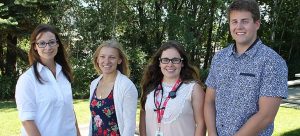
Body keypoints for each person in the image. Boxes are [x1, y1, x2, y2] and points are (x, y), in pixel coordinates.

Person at [204, 0, 288, 135]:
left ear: (257, 24)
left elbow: (265, 116)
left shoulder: (273, 62)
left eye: (245, 21)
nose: (239, 26)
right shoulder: (220, 58)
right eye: (234, 21)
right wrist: (213, 134)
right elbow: (209, 101)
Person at [15, 24, 80, 136]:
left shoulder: (64, 73)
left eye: (51, 42)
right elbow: (27, 120)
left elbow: (70, 111)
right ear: (35, 46)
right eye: (42, 43)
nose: (48, 47)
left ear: (57, 44)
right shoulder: (27, 79)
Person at [139, 41, 206, 136]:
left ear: (182, 63)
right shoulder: (150, 87)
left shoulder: (193, 89)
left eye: (175, 60)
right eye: (165, 60)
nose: (170, 64)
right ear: (159, 63)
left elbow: (201, 124)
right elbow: (143, 119)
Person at [89, 39, 138, 136]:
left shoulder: (126, 86)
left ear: (119, 60)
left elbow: (129, 126)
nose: (106, 61)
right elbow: (93, 120)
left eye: (112, 57)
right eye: (102, 56)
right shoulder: (94, 84)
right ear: (97, 59)